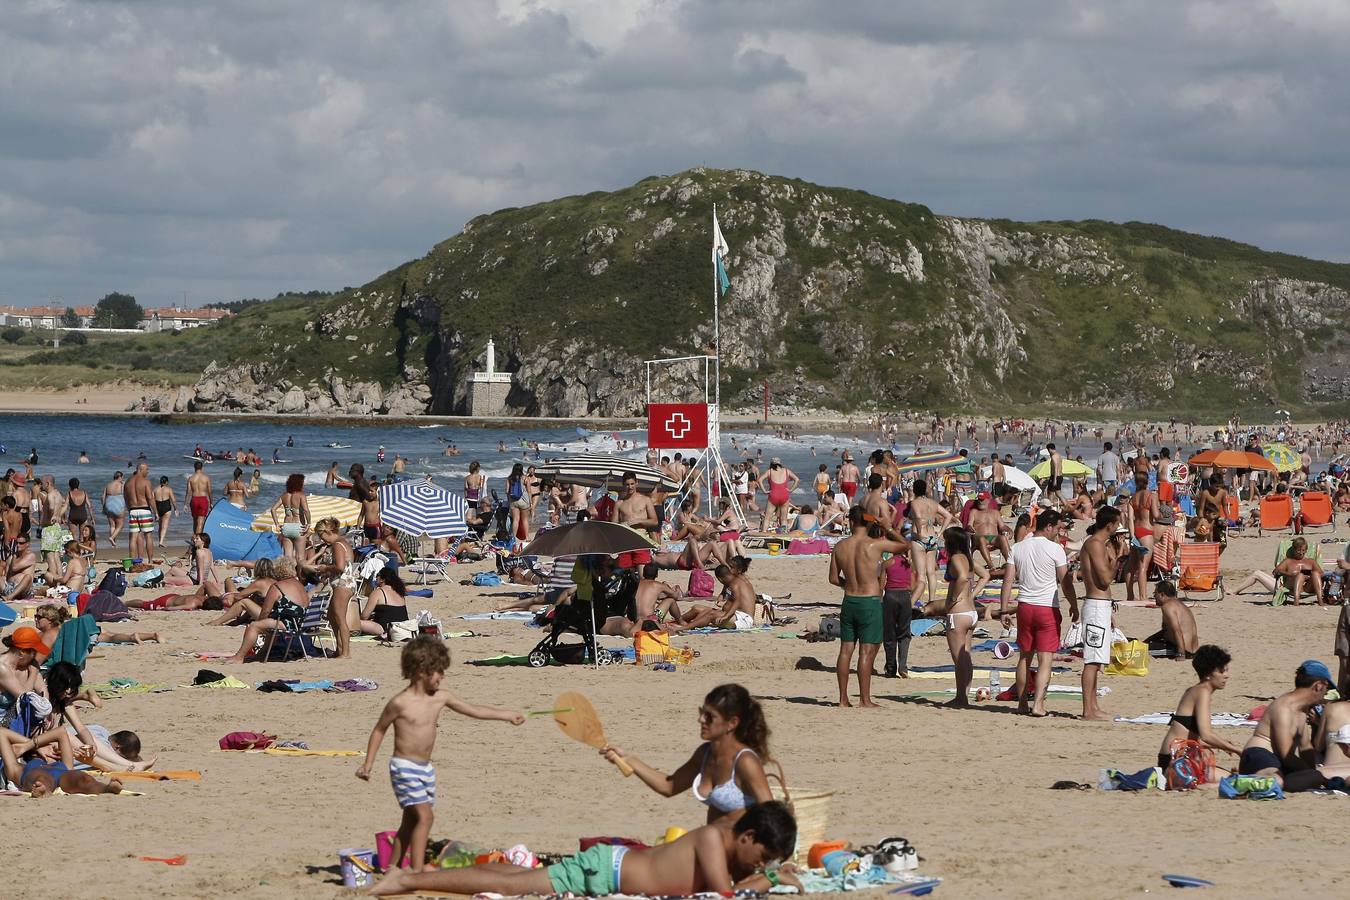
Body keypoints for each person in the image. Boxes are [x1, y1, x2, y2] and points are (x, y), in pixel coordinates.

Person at [370, 800, 799, 898]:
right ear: (747, 837)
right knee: (518, 887)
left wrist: (769, 873)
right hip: (606, 872)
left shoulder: (728, 842)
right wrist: (770, 879)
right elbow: (723, 894)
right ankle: (406, 879)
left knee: (517, 880)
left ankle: (421, 876)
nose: (758, 865)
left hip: (610, 868)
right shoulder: (711, 839)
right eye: (760, 856)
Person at [356, 637, 523, 875]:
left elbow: (473, 710)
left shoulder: (440, 698)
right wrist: (368, 763)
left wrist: (506, 715)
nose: (441, 677)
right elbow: (379, 729)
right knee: (425, 818)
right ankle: (416, 871)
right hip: (404, 767)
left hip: (425, 769)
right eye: (438, 672)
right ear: (421, 671)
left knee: (410, 822)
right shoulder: (400, 703)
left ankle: (390, 868)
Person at [602, 684, 774, 824]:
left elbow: (773, 818)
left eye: (710, 716)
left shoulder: (745, 761)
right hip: (716, 849)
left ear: (732, 723)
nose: (701, 720)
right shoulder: (705, 753)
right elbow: (668, 786)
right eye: (702, 713)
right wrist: (629, 760)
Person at [829, 506, 910, 708]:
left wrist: (847, 585)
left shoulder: (840, 546)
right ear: (867, 522)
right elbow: (905, 545)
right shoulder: (875, 544)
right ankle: (865, 700)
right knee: (866, 652)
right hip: (870, 602)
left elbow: (832, 578)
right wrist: (887, 527)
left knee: (845, 650)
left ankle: (842, 699)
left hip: (849, 600)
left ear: (851, 522)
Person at [1237, 660, 1350, 791]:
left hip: (1278, 760)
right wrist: (1311, 772)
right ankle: (1235, 781)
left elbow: (1305, 747)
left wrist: (1312, 773)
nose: (1326, 693)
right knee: (1277, 782)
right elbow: (1286, 754)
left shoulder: (1302, 710)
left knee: (1310, 779)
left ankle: (1255, 778)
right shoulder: (1284, 708)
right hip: (1260, 755)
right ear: (1318, 686)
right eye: (1326, 688)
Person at [999, 509, 1068, 717]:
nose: (1058, 532)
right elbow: (1065, 581)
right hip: (1046, 607)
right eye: (1057, 528)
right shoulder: (1055, 549)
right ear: (1048, 527)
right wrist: (1073, 604)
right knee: (1045, 659)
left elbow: (1008, 580)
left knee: (1024, 657)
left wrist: (1003, 609)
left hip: (1025, 606)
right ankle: (1038, 704)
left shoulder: (1018, 547)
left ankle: (1021, 703)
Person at [1156, 645, 1243, 771]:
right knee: (1232, 779)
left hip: (1171, 758)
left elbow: (1189, 736)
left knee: (1229, 776)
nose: (1226, 675)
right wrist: (1237, 750)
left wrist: (1222, 745)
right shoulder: (1202, 692)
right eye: (1221, 671)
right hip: (1174, 762)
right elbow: (1206, 735)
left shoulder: (1195, 690)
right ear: (1208, 674)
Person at [920, 526, 977, 707]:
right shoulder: (968, 559)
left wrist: (952, 598)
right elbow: (982, 576)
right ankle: (964, 695)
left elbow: (960, 578)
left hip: (958, 613)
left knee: (958, 659)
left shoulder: (955, 558)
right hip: (970, 612)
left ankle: (961, 697)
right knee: (966, 656)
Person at [222, 556, 311, 662]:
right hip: (303, 623)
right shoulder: (299, 585)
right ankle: (262, 654)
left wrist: (260, 622)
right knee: (269, 623)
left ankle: (239, 657)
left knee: (254, 626)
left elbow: (266, 611)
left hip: (290, 624)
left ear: (278, 570)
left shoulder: (278, 586)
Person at [1077, 506, 1120, 721]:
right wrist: (1116, 560)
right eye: (1117, 523)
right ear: (1110, 525)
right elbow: (1104, 580)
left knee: (1097, 660)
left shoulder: (1095, 544)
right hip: (1095, 605)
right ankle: (1088, 709)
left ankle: (1093, 706)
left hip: (1099, 605)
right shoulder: (1095, 545)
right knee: (1092, 660)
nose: (1118, 527)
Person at [311, 517, 357, 658]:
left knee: (340, 618)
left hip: (343, 584)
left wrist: (325, 568)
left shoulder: (337, 544)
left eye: (321, 535)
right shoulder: (343, 542)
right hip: (345, 582)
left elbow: (340, 567)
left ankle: (345, 653)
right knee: (332, 615)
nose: (321, 539)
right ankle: (340, 649)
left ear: (328, 532)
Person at [1232, 537, 1325, 605]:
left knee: (1314, 573)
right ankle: (1235, 591)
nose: (1301, 553)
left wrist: (1307, 575)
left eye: (1303, 550)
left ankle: (1320, 600)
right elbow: (1275, 571)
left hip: (1307, 588)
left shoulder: (1310, 562)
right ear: (1294, 550)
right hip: (1290, 588)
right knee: (1257, 573)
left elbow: (1321, 573)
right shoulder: (1288, 561)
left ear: (1306, 550)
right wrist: (1290, 574)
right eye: (1298, 550)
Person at [881, 548, 913, 679]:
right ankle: (903, 666)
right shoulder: (909, 564)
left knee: (889, 633)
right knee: (904, 633)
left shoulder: (887, 563)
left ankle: (890, 668)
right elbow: (913, 585)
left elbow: (881, 584)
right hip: (905, 596)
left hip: (890, 596)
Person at [1144, 581, 1198, 658]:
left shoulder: (1168, 606)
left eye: (1155, 594)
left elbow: (1177, 630)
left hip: (1182, 650)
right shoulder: (1180, 604)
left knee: (1141, 650)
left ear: (1162, 594)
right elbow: (1166, 631)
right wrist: (1147, 641)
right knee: (1142, 645)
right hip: (1191, 650)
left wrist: (1181, 654)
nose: (1154, 597)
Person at [356, 567, 411, 638]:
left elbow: (364, 616)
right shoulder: (399, 591)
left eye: (377, 575)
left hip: (384, 628)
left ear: (383, 579)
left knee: (355, 622)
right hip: (402, 627)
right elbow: (393, 612)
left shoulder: (378, 592)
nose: (376, 578)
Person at [270, 474, 311, 561]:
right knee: (300, 557)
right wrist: (308, 523)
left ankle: (287, 573)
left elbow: (273, 509)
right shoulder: (301, 495)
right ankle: (299, 574)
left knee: (287, 557)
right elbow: (306, 510)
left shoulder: (284, 495)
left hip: (287, 527)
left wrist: (277, 524)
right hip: (298, 527)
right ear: (299, 484)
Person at [124, 462, 155, 562]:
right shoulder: (146, 482)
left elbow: (126, 499)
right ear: (141, 469)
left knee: (133, 537)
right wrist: (156, 512)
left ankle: (133, 561)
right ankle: (150, 560)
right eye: (147, 470)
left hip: (133, 510)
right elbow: (150, 498)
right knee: (148, 535)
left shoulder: (127, 482)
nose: (148, 472)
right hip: (144, 509)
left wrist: (129, 509)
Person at [760, 459, 799, 532]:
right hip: (784, 495)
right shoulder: (787, 471)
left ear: (771, 464)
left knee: (767, 518)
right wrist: (791, 489)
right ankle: (784, 534)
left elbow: (760, 480)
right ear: (780, 464)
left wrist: (764, 491)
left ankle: (764, 533)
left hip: (773, 495)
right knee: (783, 518)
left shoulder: (769, 471)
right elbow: (797, 479)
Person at [185, 460, 212, 534]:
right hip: (203, 500)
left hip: (194, 500)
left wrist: (186, 504)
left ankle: (195, 539)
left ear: (194, 468)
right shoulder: (206, 478)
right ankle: (197, 539)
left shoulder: (191, 478)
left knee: (195, 521)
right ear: (202, 468)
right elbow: (209, 491)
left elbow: (188, 492)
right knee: (200, 522)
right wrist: (211, 502)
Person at [102, 471, 126, 548]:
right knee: (120, 525)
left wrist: (104, 507)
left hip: (109, 504)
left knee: (112, 526)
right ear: (120, 477)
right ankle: (112, 538)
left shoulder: (108, 485)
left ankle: (113, 544)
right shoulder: (122, 484)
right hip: (118, 503)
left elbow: (103, 497)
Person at [153, 476, 176, 550]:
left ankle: (160, 541)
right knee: (164, 526)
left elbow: (152, 501)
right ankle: (161, 542)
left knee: (160, 526)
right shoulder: (169, 489)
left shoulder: (155, 489)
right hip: (166, 507)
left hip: (158, 507)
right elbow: (173, 500)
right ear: (166, 482)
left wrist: (154, 511)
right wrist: (176, 509)